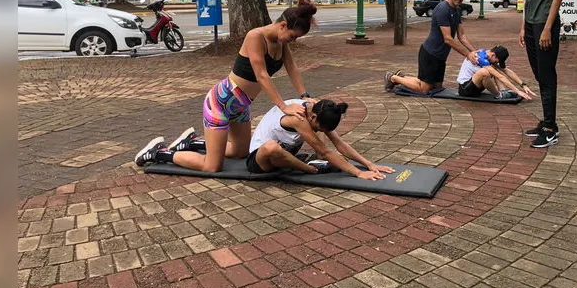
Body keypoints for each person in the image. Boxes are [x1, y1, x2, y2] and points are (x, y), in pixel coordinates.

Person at [134, 0, 318, 171]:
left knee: (241, 152)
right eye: (293, 36)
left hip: (240, 106)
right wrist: (283, 107)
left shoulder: (281, 42)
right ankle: (158, 152)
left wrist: (305, 96)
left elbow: (292, 68)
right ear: (283, 25)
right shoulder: (255, 36)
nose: (293, 41)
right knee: (212, 167)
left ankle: (193, 142)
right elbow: (262, 75)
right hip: (220, 103)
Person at [136, 99, 394, 181]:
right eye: (318, 128)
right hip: (258, 158)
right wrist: (357, 175)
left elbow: (339, 144)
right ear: (312, 117)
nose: (318, 131)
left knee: (302, 155)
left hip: (277, 152)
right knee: (275, 149)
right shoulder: (299, 119)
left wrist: (369, 164)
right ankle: (160, 153)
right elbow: (325, 151)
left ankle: (192, 142)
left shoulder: (320, 108)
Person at [519, 0, 566, 148]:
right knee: (539, 74)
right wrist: (523, 25)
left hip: (545, 24)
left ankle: (550, 128)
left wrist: (547, 27)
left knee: (547, 76)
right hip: (530, 23)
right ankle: (547, 121)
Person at [384, 0, 478, 94]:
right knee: (424, 90)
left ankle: (401, 76)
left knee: (437, 87)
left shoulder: (456, 10)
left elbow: (462, 36)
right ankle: (392, 78)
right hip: (430, 54)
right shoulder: (443, 9)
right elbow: (447, 38)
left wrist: (474, 52)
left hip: (441, 57)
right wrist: (467, 54)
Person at [457, 46, 537, 101]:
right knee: (486, 72)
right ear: (493, 55)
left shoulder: (488, 55)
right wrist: (517, 91)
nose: (497, 62)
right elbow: (500, 76)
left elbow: (506, 71)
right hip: (465, 89)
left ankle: (502, 91)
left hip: (476, 87)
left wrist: (523, 85)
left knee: (494, 69)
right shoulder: (481, 58)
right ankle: (498, 95)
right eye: (497, 60)